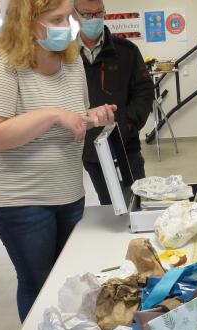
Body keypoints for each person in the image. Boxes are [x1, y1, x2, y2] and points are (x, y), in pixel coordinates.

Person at [0, 0, 116, 322]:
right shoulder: (3, 62)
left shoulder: (71, 60)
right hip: (21, 199)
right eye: (56, 19)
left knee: (67, 279)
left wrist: (91, 117)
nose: (67, 26)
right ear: (27, 21)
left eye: (68, 17)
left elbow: (73, 120)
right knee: (37, 285)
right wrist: (53, 115)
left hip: (68, 192)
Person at [72, 0, 153, 205]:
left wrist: (127, 125)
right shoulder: (65, 56)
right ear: (75, 15)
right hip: (90, 150)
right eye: (88, 15)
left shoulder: (126, 51)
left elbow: (144, 92)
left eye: (99, 13)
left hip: (127, 146)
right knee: (109, 206)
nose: (94, 19)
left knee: (138, 202)